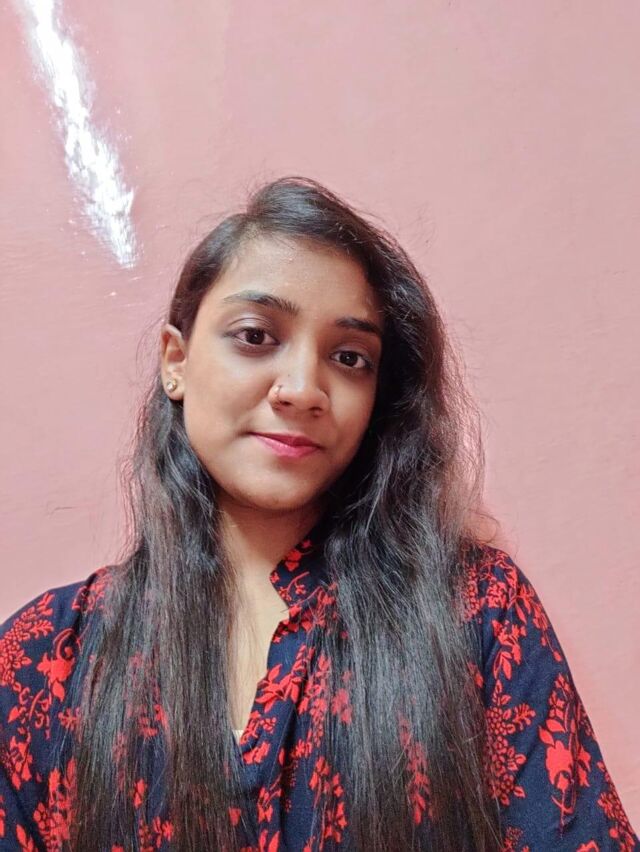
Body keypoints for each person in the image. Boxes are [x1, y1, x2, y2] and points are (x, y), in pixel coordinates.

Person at [0, 176, 637, 852]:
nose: (303, 389)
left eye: (349, 358)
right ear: (175, 361)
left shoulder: (475, 612)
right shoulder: (48, 658)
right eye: (255, 335)